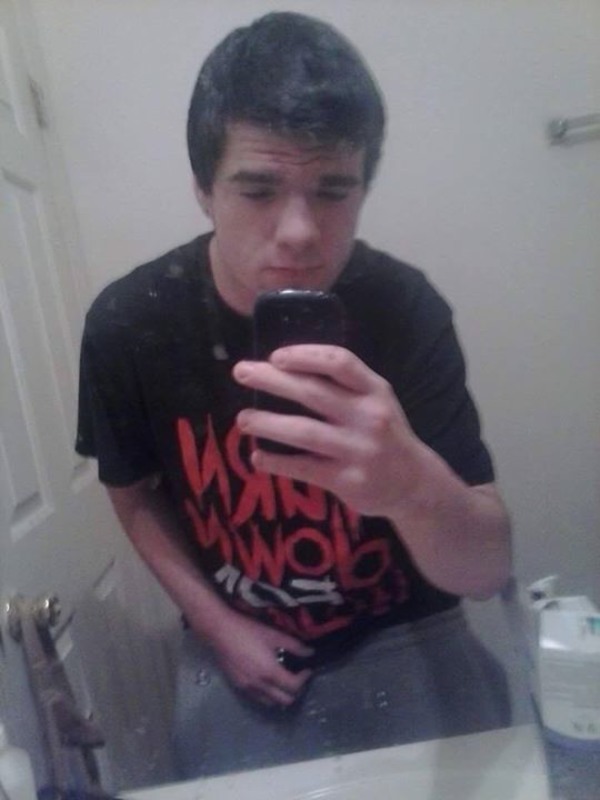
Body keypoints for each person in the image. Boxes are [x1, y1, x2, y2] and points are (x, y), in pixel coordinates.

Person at [76, 11, 512, 778]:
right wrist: (216, 624)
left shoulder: (405, 309)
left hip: (405, 623)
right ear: (203, 189)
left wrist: (411, 487)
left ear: (364, 189)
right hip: (233, 626)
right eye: (259, 190)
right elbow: (133, 494)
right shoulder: (129, 324)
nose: (301, 232)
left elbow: (485, 572)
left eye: (333, 190)